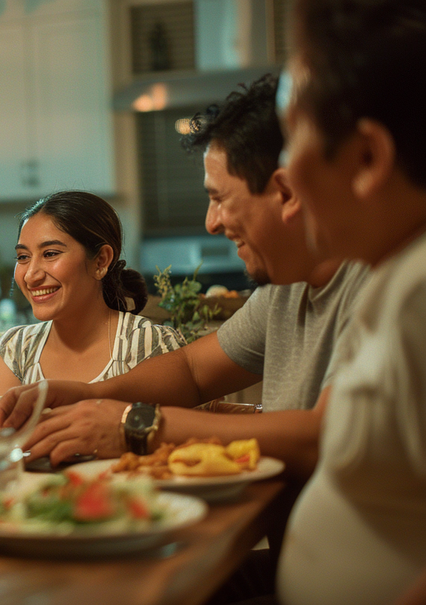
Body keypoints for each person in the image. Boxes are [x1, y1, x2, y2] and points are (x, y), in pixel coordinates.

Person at [0, 74, 370, 479]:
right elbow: (191, 371)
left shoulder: (375, 285)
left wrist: (133, 425)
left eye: (219, 198)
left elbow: (326, 437)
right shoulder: (286, 289)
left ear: (286, 191)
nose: (211, 223)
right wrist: (90, 395)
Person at [275, 1, 426, 602]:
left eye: (290, 138)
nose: (283, 173)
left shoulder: (420, 291)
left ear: (367, 158)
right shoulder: (393, 277)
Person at [0, 191, 186, 396]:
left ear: (101, 261)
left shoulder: (149, 344)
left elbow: (172, 425)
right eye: (23, 257)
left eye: (50, 254)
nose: (30, 276)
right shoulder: (15, 350)